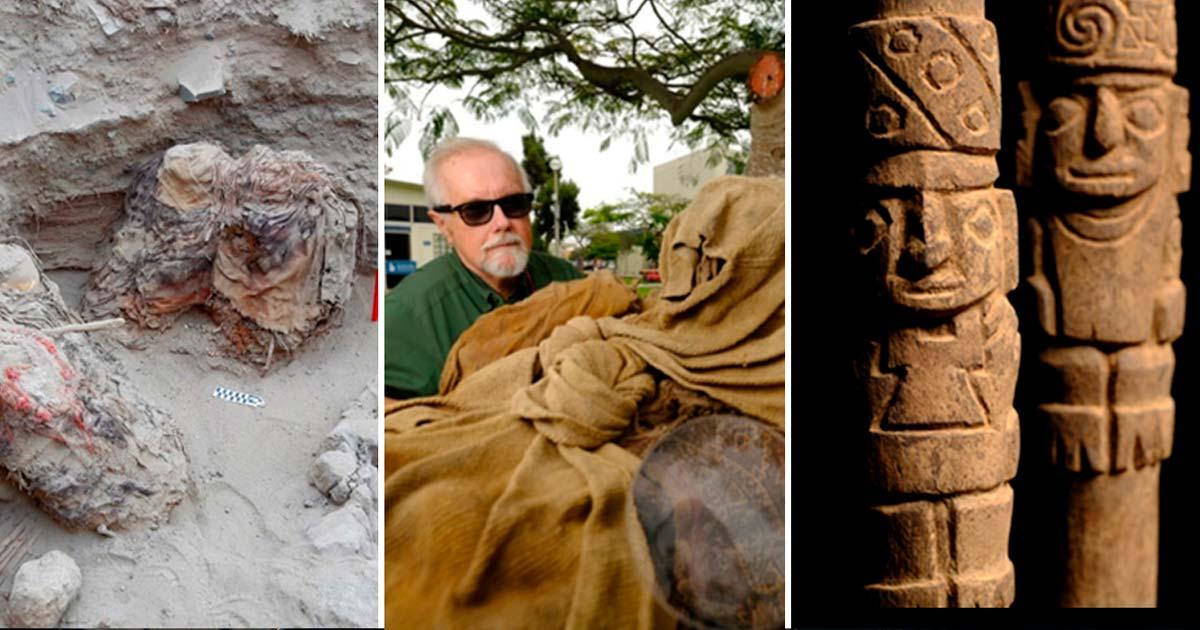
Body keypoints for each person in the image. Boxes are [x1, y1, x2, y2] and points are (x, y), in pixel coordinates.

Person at [384, 137, 583, 400]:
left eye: (514, 205)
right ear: (443, 225)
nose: (502, 223)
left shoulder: (569, 282)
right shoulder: (404, 317)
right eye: (475, 211)